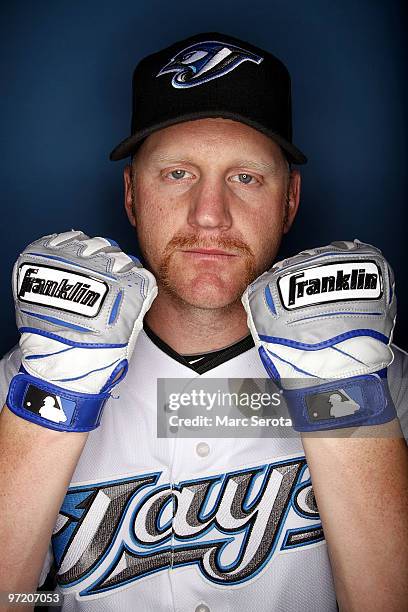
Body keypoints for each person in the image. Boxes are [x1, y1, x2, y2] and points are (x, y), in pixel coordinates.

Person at [0, 32, 407, 612]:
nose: (209, 215)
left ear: (290, 201)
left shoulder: (384, 384)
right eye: (177, 174)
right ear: (131, 194)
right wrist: (51, 397)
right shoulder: (24, 383)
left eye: (245, 177)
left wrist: (347, 400)